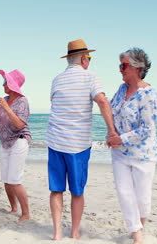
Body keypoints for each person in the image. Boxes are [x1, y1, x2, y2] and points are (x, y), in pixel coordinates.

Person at [45, 39, 118, 240]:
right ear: (84, 59)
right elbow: (102, 101)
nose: (90, 62)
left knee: (56, 189)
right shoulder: (90, 77)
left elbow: (56, 104)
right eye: (89, 58)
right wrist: (111, 130)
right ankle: (75, 232)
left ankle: (57, 233)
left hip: (55, 141)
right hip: (77, 144)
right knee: (77, 191)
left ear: (69, 59)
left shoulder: (57, 79)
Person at [107, 48, 157, 244]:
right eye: (120, 65)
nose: (120, 69)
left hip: (143, 155)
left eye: (124, 65)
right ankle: (137, 235)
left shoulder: (149, 94)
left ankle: (139, 228)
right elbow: (110, 112)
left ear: (138, 68)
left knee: (142, 198)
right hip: (120, 153)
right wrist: (111, 133)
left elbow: (147, 129)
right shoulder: (121, 89)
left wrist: (121, 138)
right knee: (124, 193)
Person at [0, 69, 31, 222]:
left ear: (13, 85)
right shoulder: (6, 99)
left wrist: (7, 108)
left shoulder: (22, 101)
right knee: (6, 180)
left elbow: (19, 124)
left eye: (5, 82)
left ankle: (26, 213)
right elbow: (4, 122)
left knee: (15, 180)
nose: (3, 85)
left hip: (19, 141)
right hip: (5, 143)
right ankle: (14, 208)